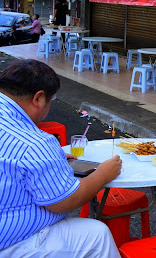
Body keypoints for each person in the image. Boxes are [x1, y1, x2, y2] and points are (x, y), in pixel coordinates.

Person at [0, 59, 122, 257]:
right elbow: (64, 201)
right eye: (51, 100)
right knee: (97, 235)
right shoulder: (36, 143)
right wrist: (103, 174)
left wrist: (49, 159)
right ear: (38, 98)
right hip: (11, 242)